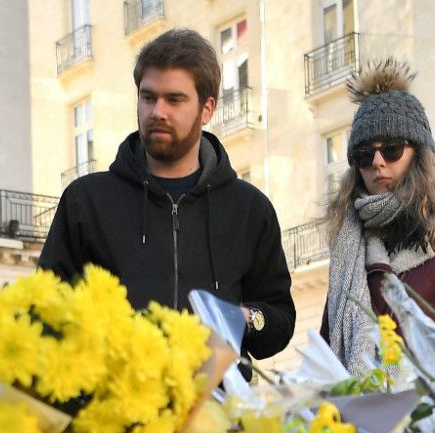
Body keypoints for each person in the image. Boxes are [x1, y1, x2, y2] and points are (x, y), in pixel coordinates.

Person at [38, 28, 294, 363]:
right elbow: (44, 308)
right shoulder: (85, 201)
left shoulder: (249, 208)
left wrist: (242, 318)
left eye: (174, 99)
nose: (158, 111)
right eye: (148, 97)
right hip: (113, 406)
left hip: (217, 407)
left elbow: (280, 321)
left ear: (207, 109)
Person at [319, 60, 435, 372]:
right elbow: (326, 356)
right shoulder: (349, 247)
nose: (377, 162)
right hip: (356, 416)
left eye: (391, 150)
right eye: (364, 155)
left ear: (420, 155)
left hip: (434, 415)